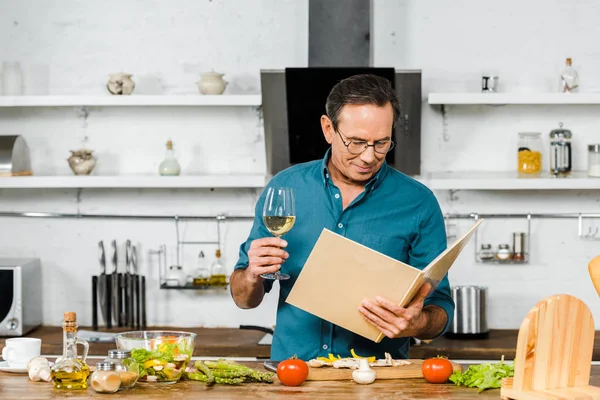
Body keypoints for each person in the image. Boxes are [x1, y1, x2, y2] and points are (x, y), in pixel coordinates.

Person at [230, 74, 454, 362]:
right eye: (356, 142)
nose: (368, 157)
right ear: (328, 129)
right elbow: (243, 299)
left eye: (381, 143)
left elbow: (441, 307)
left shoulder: (418, 202)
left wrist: (418, 323)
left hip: (376, 380)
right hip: (294, 373)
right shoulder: (285, 188)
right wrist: (251, 274)